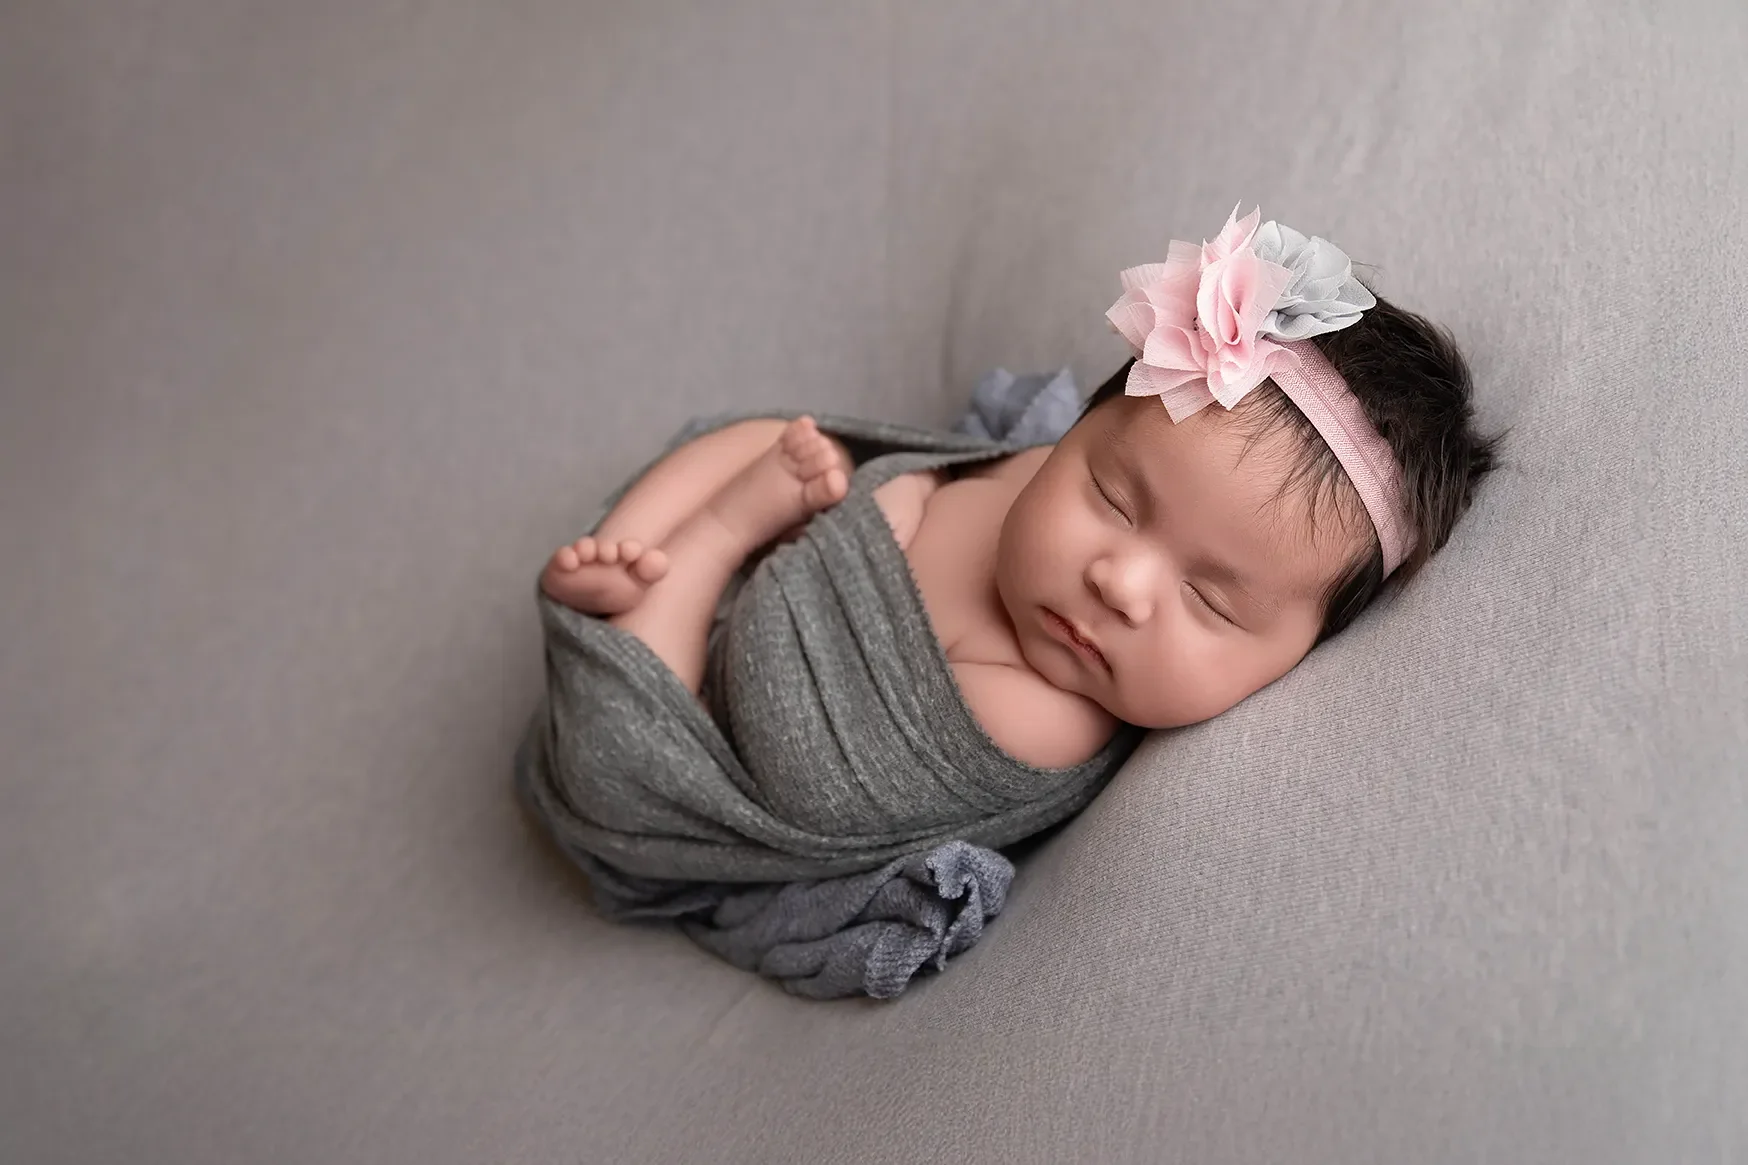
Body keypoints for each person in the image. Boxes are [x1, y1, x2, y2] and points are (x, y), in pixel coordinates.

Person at [539, 205, 1498, 769]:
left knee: (632, 743)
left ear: (1304, 649)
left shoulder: (1048, 720)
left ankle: (686, 559)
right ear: (1077, 431)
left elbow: (793, 746)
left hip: (718, 710)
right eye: (1115, 499)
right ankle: (646, 551)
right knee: (761, 435)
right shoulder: (1035, 473)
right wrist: (898, 494)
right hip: (793, 552)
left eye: (1209, 598)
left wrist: (855, 528)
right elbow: (923, 469)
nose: (1119, 582)